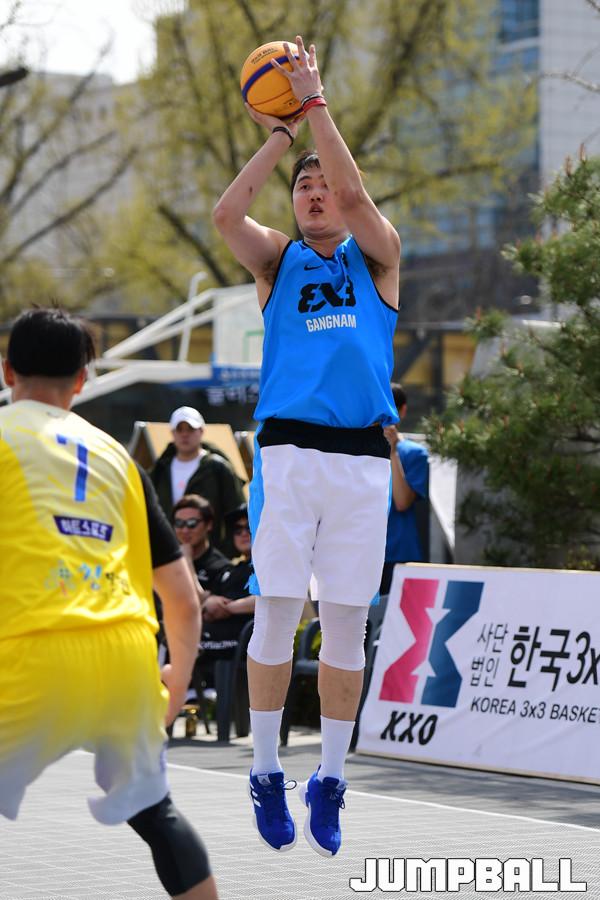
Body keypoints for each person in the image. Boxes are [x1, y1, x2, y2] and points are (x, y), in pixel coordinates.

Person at [213, 35, 400, 858]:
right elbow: (226, 217)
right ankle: (264, 770)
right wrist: (281, 134)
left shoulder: (379, 257)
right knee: (280, 613)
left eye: (325, 183)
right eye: (303, 186)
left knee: (347, 628)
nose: (317, 192)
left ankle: (330, 777)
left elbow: (357, 195)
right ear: (291, 204)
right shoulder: (277, 262)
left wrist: (316, 104)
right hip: (289, 455)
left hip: (360, 459)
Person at [0, 308, 218, 900]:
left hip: (31, 651)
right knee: (155, 812)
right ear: (82, 380)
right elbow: (182, 596)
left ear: (7, 371)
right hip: (124, 655)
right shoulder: (119, 459)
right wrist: (177, 681)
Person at [150, 406, 245, 551]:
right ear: (172, 433)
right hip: (170, 552)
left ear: (201, 431)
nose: (184, 434)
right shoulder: (161, 469)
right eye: (179, 429)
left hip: (209, 553)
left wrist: (227, 552)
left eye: (190, 429)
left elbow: (237, 512)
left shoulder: (218, 467)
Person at [381, 383, 430, 594]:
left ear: (402, 411)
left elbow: (402, 502)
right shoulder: (358, 451)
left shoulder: (414, 454)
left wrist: (392, 452)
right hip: (361, 548)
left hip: (398, 553)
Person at [200, 504, 255, 658]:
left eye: (249, 527)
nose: (243, 533)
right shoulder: (229, 570)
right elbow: (205, 600)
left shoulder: (268, 565)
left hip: (246, 639)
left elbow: (271, 598)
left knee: (183, 641)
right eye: (238, 529)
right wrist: (207, 606)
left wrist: (228, 608)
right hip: (215, 634)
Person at [173, 494, 232, 594]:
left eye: (192, 523)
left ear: (209, 524)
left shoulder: (221, 567)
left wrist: (187, 561)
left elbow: (202, 601)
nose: (185, 530)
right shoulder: (168, 561)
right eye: (179, 523)